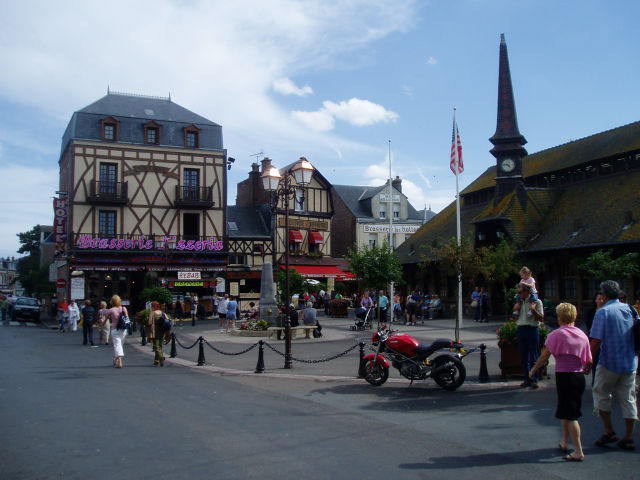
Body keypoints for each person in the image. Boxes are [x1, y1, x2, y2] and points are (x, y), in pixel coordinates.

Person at [530, 303, 592, 461]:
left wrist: (533, 370)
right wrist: (586, 369)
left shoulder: (556, 335)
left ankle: (578, 450)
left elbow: (544, 356)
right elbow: (588, 360)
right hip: (578, 377)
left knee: (571, 415)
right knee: (567, 410)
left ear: (560, 317)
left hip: (565, 376)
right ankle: (564, 441)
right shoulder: (582, 334)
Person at [590, 280, 637, 451]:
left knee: (601, 393)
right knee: (628, 399)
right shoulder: (630, 309)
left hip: (609, 361)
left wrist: (586, 360)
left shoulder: (603, 312)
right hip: (629, 361)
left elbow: (596, 341)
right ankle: (629, 436)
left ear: (604, 295)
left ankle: (609, 430)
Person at [515, 282, 544, 388]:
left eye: (520, 292)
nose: (519, 294)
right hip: (521, 328)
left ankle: (534, 379)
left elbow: (541, 318)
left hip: (532, 329)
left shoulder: (536, 302)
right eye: (518, 292)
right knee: (523, 356)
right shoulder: (519, 302)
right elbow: (515, 316)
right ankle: (526, 378)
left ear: (527, 292)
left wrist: (533, 310)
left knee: (534, 355)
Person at [584, 292, 605, 385]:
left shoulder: (607, 311)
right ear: (595, 300)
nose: (601, 301)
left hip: (605, 343)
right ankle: (595, 384)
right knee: (595, 364)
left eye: (602, 299)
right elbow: (588, 326)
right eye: (599, 299)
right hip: (593, 341)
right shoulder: (591, 312)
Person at [107, 295, 128, 368]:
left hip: (115, 329)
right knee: (120, 345)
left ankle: (119, 361)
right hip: (123, 329)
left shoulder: (111, 310)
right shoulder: (123, 308)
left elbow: (106, 319)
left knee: (117, 345)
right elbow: (127, 318)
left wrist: (101, 325)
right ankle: (117, 359)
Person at [147, 301, 165, 366]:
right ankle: (156, 360)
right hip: (162, 331)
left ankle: (161, 357)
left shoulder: (152, 313)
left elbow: (149, 322)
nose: (151, 307)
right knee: (160, 346)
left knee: (156, 346)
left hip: (155, 332)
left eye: (152, 306)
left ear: (154, 306)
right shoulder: (162, 313)